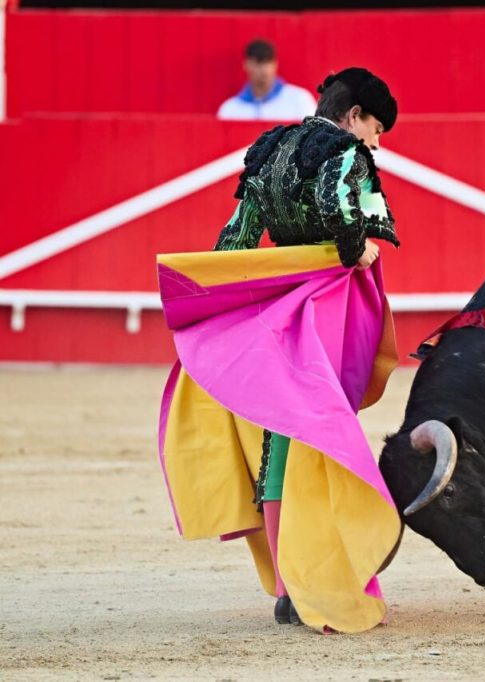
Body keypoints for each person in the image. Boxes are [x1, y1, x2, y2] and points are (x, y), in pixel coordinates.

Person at [158, 67, 402, 633]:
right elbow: (348, 218)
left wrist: (222, 305)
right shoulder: (347, 153)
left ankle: (288, 591)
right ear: (355, 115)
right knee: (321, 435)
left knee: (280, 435)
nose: (376, 141)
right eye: (377, 127)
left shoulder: (268, 149)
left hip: (279, 312)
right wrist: (357, 249)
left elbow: (236, 239)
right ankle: (319, 579)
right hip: (326, 308)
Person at [217, 39, 317, 120]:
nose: (265, 70)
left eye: (269, 62)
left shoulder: (299, 100)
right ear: (246, 65)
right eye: (259, 62)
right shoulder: (230, 110)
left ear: (275, 64)